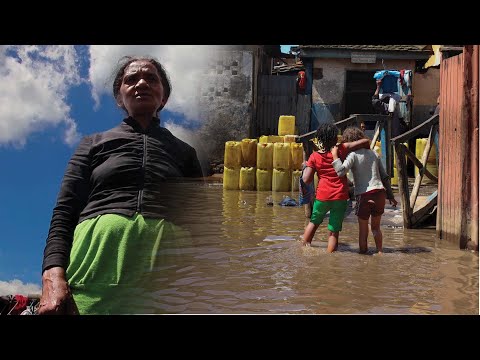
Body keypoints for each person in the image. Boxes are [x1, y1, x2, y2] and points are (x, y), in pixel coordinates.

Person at [38, 56, 204, 315]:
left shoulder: (185, 152)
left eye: (151, 78)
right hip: (96, 266)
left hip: (171, 273)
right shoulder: (93, 144)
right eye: (131, 79)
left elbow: (201, 223)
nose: (141, 83)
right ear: (119, 97)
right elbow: (64, 213)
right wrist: (52, 275)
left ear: (164, 98)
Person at [301, 123, 370, 252]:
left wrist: (305, 166)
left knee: (314, 222)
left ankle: (304, 250)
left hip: (323, 196)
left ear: (319, 139)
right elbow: (366, 141)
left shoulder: (314, 157)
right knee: (333, 232)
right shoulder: (342, 149)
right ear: (335, 138)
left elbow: (306, 179)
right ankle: (331, 258)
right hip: (340, 196)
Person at [331, 126, 398, 254]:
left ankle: (363, 254)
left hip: (364, 195)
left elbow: (340, 172)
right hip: (379, 193)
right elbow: (384, 177)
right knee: (376, 228)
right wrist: (391, 196)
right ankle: (380, 252)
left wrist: (335, 156)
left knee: (363, 229)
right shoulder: (373, 153)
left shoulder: (353, 155)